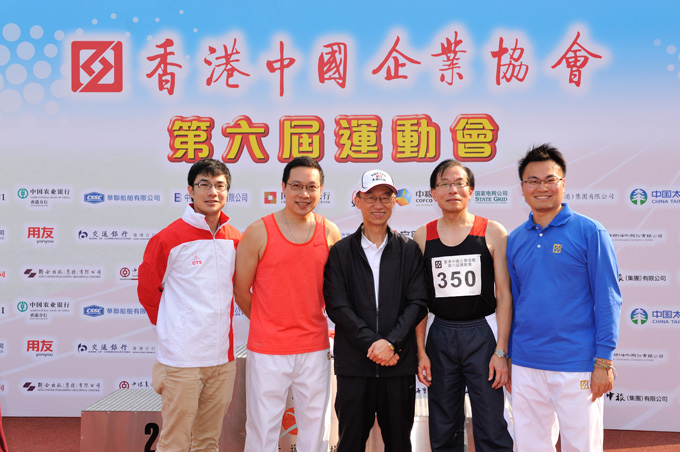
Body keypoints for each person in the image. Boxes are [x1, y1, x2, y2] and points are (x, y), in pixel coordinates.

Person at [507, 144, 622, 452]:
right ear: (522, 188)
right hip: (526, 363)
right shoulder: (515, 239)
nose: (541, 187)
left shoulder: (590, 232)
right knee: (529, 446)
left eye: (550, 179)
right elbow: (515, 302)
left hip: (577, 363)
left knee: (582, 446)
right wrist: (509, 356)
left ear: (563, 183)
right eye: (533, 181)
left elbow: (608, 299)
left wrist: (604, 360)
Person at [234, 156, 341, 452]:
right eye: (296, 186)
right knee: (262, 429)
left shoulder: (330, 232)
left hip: (315, 347)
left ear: (321, 191)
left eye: (311, 187)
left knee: (316, 429)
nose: (303, 194)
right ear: (283, 187)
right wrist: (268, 324)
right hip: (268, 349)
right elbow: (241, 291)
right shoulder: (259, 231)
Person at [137, 158, 241, 452]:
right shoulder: (168, 239)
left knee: (208, 441)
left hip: (222, 359)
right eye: (204, 185)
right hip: (181, 360)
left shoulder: (235, 239)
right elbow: (148, 291)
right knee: (175, 442)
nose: (212, 192)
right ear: (190, 191)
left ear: (227, 191)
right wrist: (173, 328)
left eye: (219, 186)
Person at [323, 169, 428, 452]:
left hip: (397, 364)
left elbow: (417, 303)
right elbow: (337, 305)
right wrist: (374, 344)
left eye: (385, 197)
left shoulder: (408, 250)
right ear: (357, 200)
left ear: (394, 201)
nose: (378, 204)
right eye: (370, 197)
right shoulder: (341, 251)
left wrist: (391, 343)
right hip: (355, 366)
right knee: (350, 443)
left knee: (399, 443)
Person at [413, 160, 514, 452]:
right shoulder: (422, 236)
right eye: (444, 184)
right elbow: (418, 301)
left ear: (470, 190)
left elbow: (504, 294)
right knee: (443, 423)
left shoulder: (492, 231)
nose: (452, 190)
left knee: (491, 422)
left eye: (459, 183)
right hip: (440, 334)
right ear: (433, 193)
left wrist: (501, 351)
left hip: (482, 334)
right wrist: (421, 351)